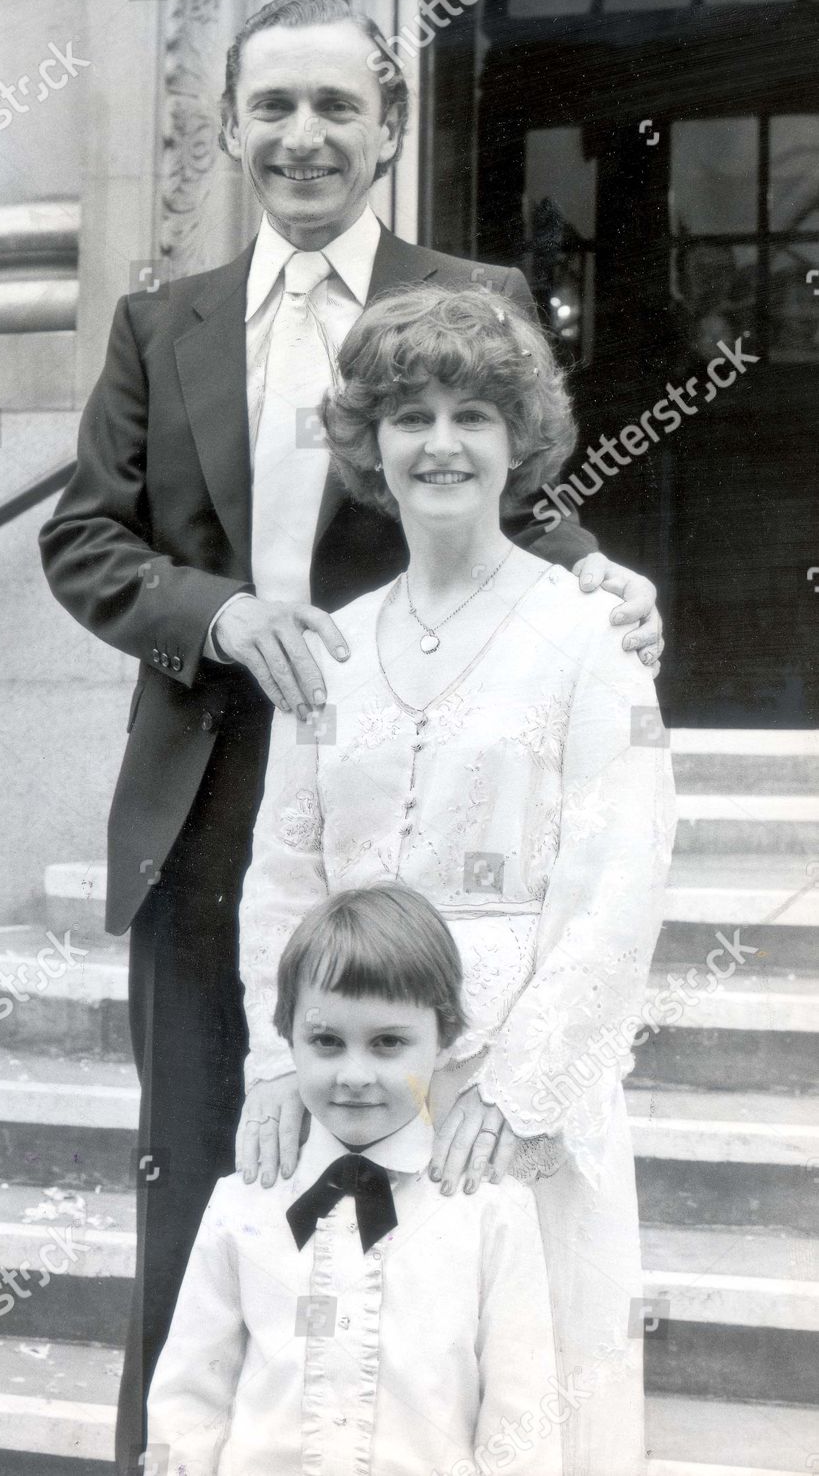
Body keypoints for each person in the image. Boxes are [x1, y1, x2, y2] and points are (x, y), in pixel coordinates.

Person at [36, 0, 664, 1470]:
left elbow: (509, 485)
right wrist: (213, 611)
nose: (303, 138)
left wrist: (602, 584)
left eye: (335, 108)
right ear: (229, 127)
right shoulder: (158, 323)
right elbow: (84, 538)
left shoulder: (468, 293)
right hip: (221, 820)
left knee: (454, 1236)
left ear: (387, 126)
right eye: (272, 108)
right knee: (214, 1183)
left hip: (420, 801)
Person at [235, 282, 676, 1475]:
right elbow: (284, 869)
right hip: (362, 1076)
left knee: (527, 1391)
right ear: (369, 445)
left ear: (517, 439)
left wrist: (518, 1089)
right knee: (375, 1389)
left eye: (473, 414)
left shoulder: (588, 632)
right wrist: (279, 1059)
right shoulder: (330, 645)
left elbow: (619, 874)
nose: (440, 443)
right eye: (409, 415)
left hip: (513, 1080)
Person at [147, 884, 563, 1476]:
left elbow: (522, 1417)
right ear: (287, 1036)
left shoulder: (488, 1210)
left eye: (389, 1043)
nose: (355, 1075)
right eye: (326, 1042)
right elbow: (189, 1395)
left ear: (443, 1038)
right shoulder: (243, 1202)